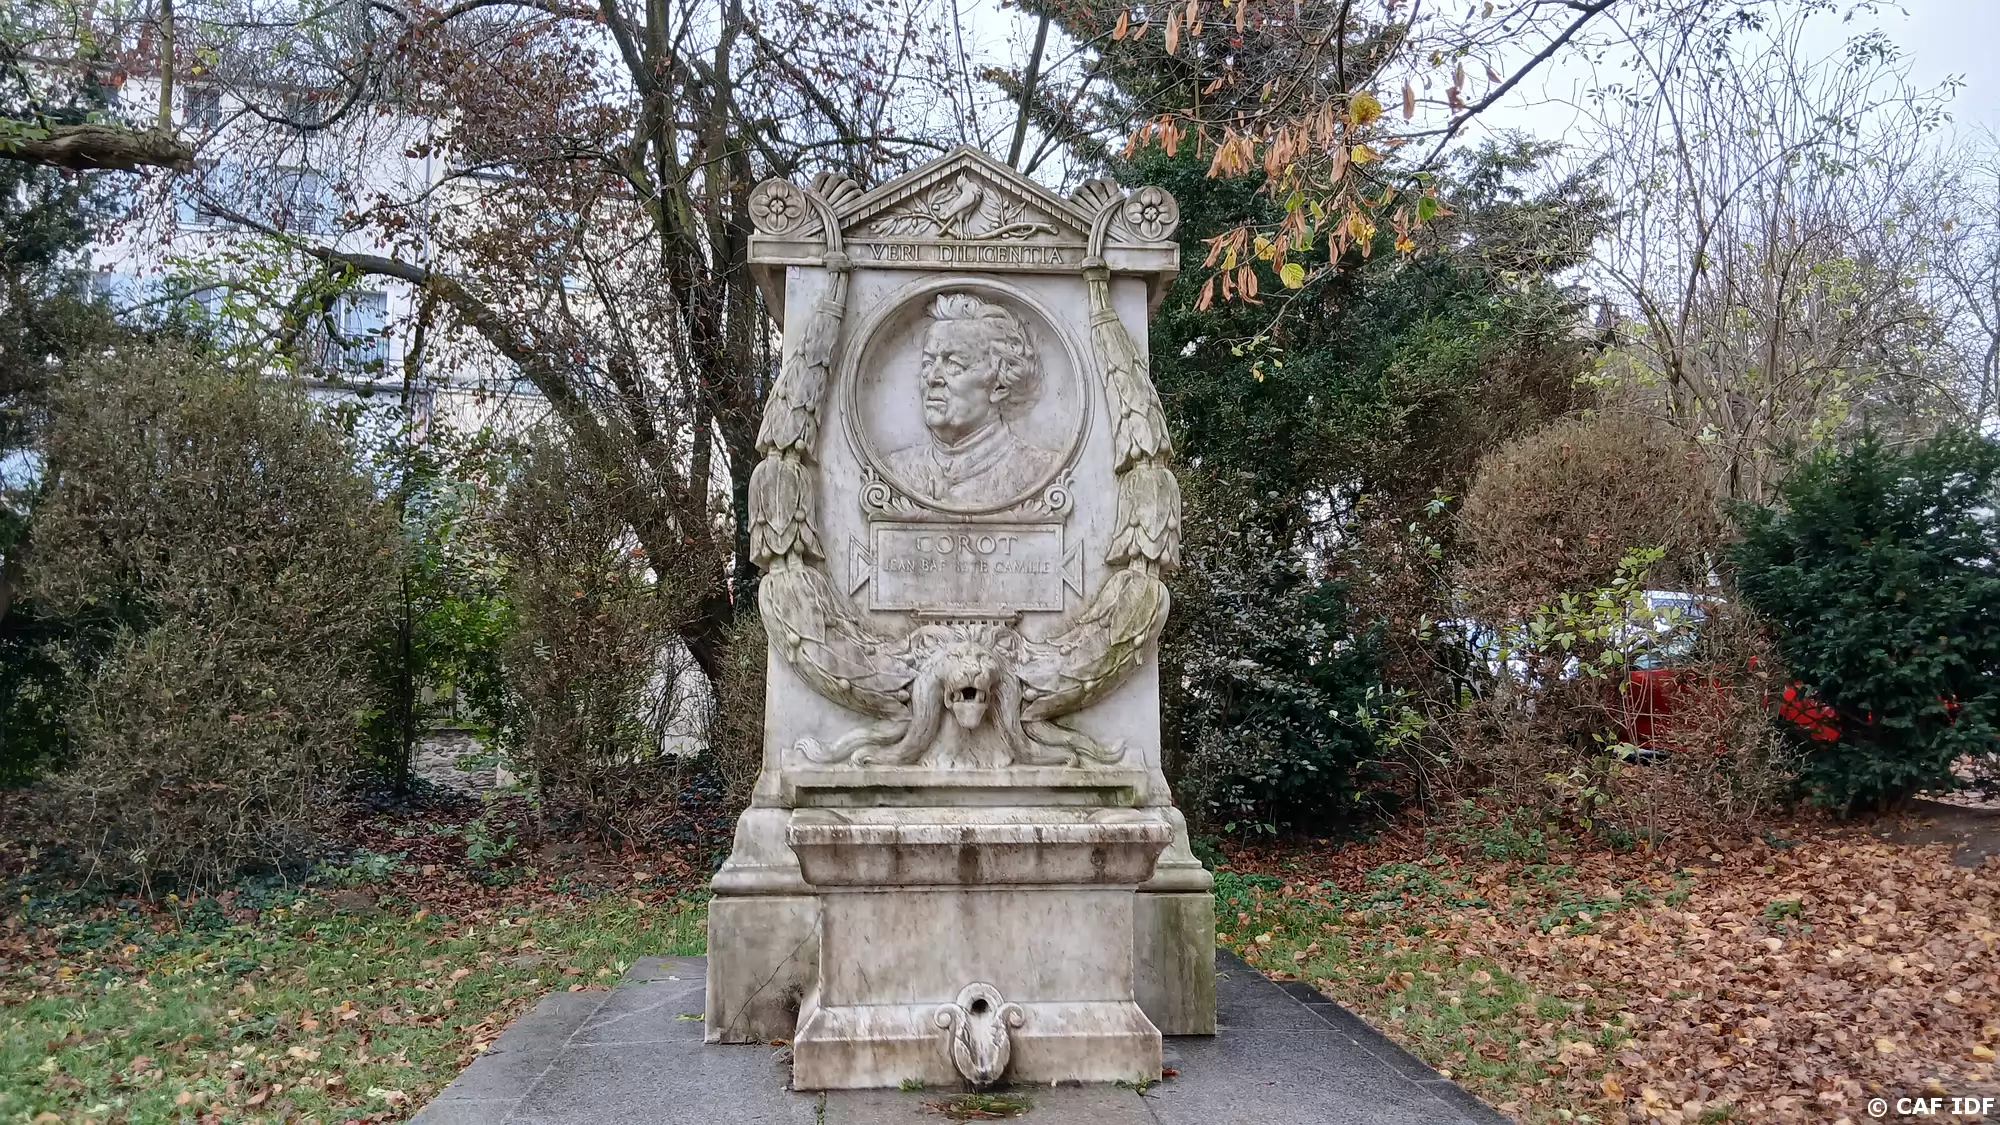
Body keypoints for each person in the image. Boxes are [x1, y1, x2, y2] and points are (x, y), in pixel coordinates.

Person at [884, 293, 1061, 505]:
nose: (933, 378)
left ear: (1000, 385)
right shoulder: (897, 470)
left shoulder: (1038, 470)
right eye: (928, 363)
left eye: (955, 365)